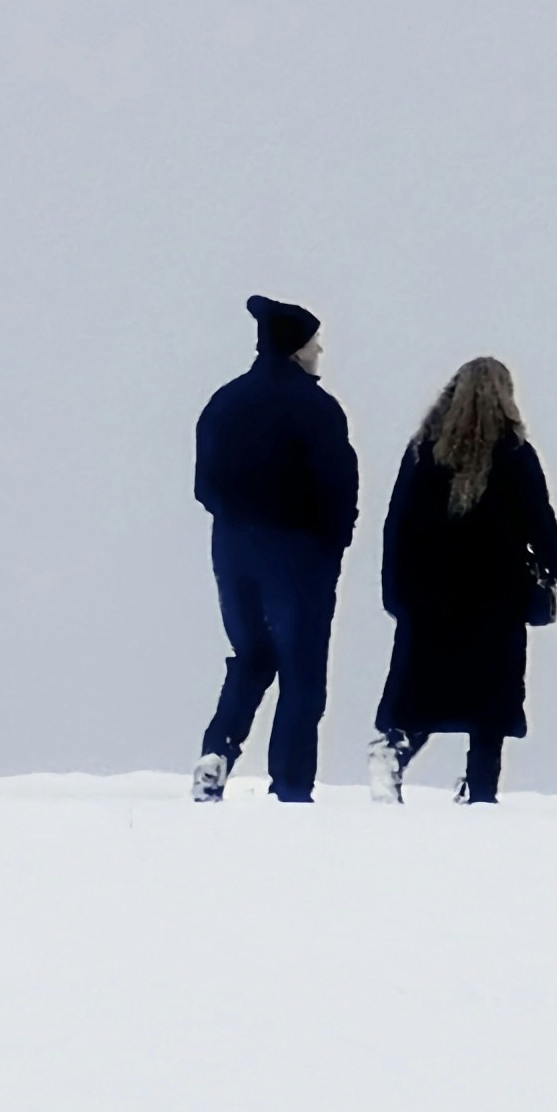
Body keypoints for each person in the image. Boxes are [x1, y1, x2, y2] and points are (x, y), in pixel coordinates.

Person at [371, 354, 557, 803]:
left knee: (424, 689)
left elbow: (397, 523)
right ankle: (481, 793)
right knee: (490, 704)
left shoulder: (423, 451)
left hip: (429, 597)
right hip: (495, 599)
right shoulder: (514, 454)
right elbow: (539, 523)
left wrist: (394, 590)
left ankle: (394, 753)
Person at [188, 298, 360, 802]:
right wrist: (333, 544)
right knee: (303, 674)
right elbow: (340, 486)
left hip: (232, 550)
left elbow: (204, 486)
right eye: (313, 341)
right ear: (294, 349)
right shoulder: (317, 408)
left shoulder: (225, 401)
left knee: (253, 655)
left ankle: (218, 749)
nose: (320, 349)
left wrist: (239, 521)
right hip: (300, 556)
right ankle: (290, 788)